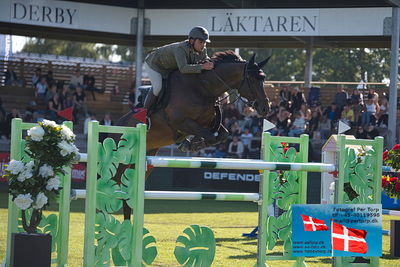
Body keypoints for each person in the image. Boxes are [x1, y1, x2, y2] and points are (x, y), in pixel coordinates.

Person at [143, 26, 214, 111]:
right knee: (158, 87)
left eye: (205, 42)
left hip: (168, 68)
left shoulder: (203, 50)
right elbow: (183, 68)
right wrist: (202, 66)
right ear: (192, 41)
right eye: (200, 42)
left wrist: (210, 63)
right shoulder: (180, 49)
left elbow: (206, 60)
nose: (203, 45)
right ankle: (144, 112)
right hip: (154, 64)